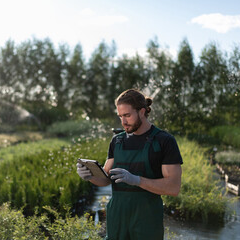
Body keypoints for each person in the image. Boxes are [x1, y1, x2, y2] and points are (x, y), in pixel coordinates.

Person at [76, 89, 183, 240]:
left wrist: (137, 180)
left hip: (146, 219)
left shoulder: (164, 141)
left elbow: (173, 187)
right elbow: (106, 178)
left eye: (127, 115)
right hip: (117, 218)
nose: (123, 121)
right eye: (120, 116)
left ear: (142, 112)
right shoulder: (117, 141)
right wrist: (90, 176)